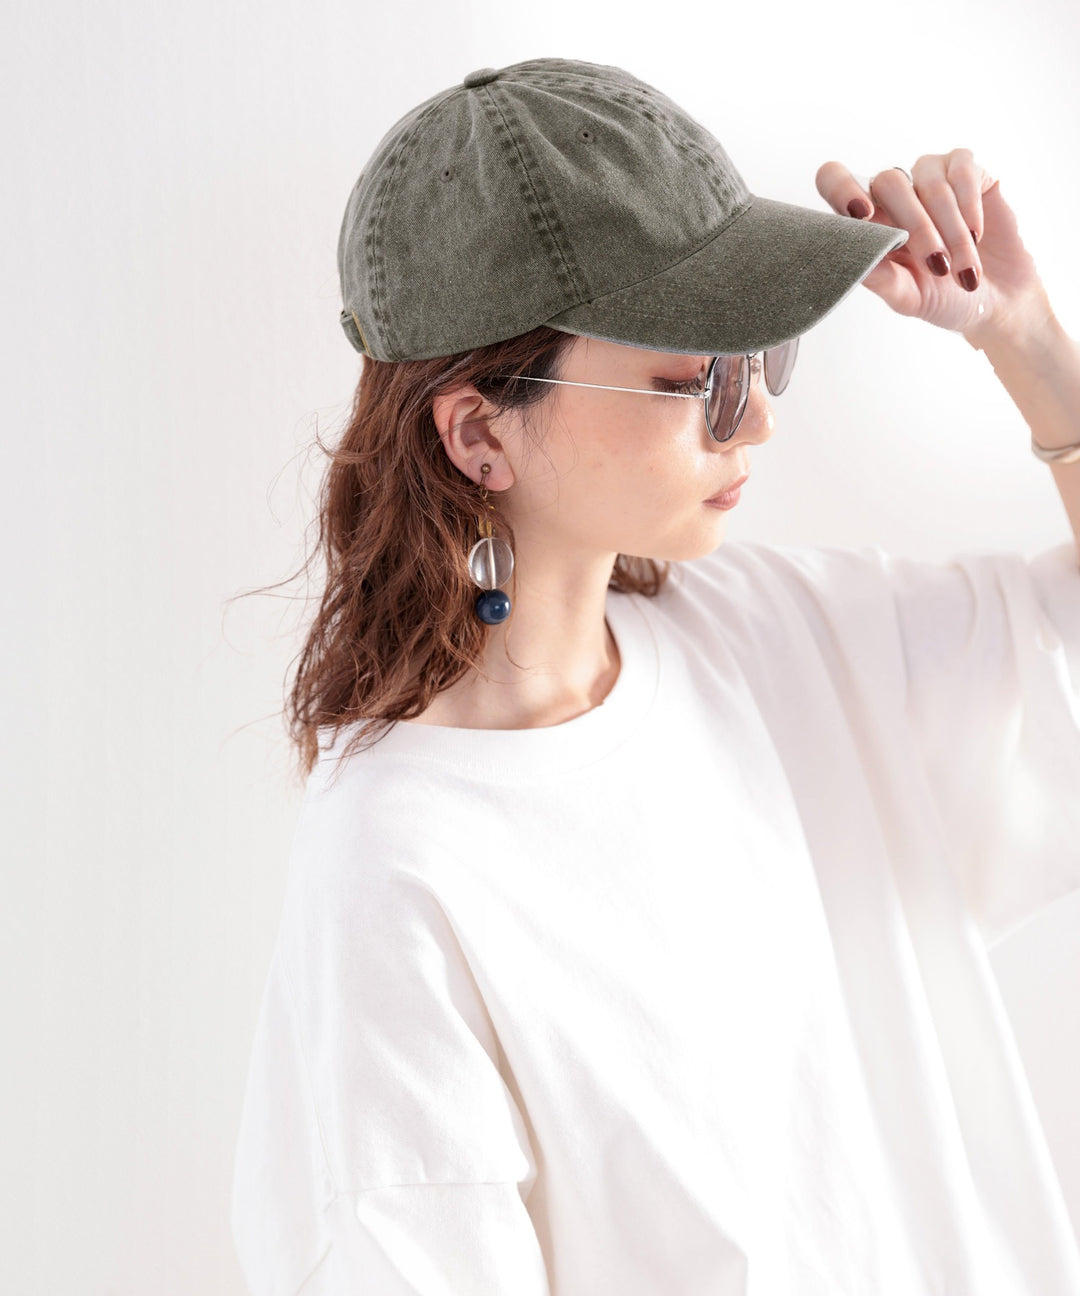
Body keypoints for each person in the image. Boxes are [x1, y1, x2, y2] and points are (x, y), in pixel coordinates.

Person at [231, 57, 1080, 1295]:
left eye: (763, 358)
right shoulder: (399, 870)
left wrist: (1029, 341)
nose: (760, 422)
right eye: (700, 383)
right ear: (478, 432)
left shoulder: (775, 633)